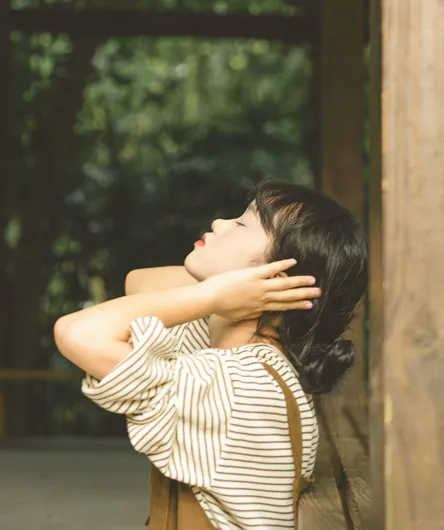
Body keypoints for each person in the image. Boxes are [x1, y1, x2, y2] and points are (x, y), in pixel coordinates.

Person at [54, 180, 368, 530]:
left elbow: (77, 333)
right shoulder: (239, 348)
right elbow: (139, 283)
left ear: (274, 276)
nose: (219, 224)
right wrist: (221, 295)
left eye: (241, 223)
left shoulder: (238, 386)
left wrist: (211, 297)